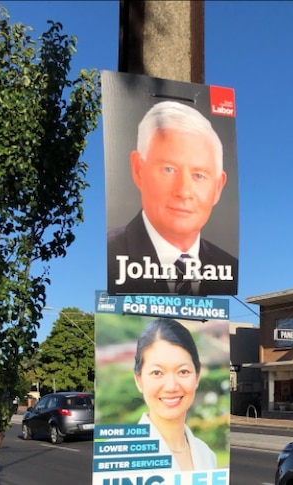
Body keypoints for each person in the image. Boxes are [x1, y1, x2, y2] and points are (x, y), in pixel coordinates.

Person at [107, 100, 237, 296]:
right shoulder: (111, 252)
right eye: (169, 169)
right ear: (138, 169)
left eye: (199, 175)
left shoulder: (228, 265)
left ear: (218, 187)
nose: (184, 191)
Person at [134, 318, 217, 471]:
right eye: (157, 372)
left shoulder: (207, 454)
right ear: (139, 380)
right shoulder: (120, 456)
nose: (171, 386)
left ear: (197, 377)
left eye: (183, 371)